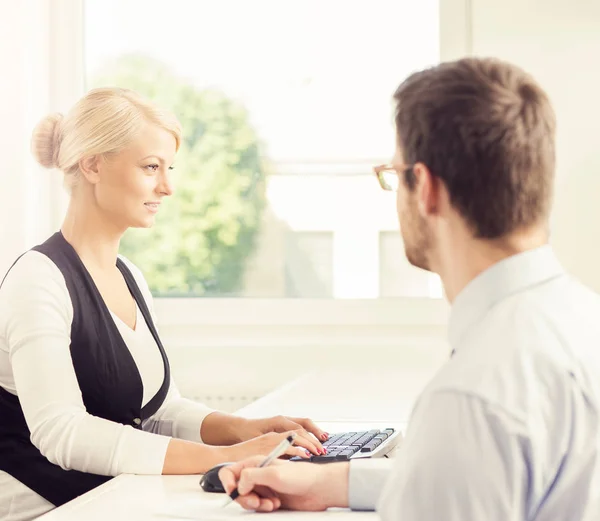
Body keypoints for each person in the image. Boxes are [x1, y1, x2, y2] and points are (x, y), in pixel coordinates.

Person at [219, 57, 600, 520]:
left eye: (394, 176)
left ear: (425, 187)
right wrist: (331, 482)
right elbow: (487, 479)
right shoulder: (581, 321)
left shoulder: (473, 396)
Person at [0, 87, 328, 521]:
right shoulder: (37, 279)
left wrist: (243, 430)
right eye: (151, 167)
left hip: (109, 497)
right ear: (93, 164)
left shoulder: (128, 276)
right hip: (45, 505)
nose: (167, 187)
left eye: (168, 168)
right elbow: (63, 433)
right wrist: (227, 456)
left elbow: (158, 411)